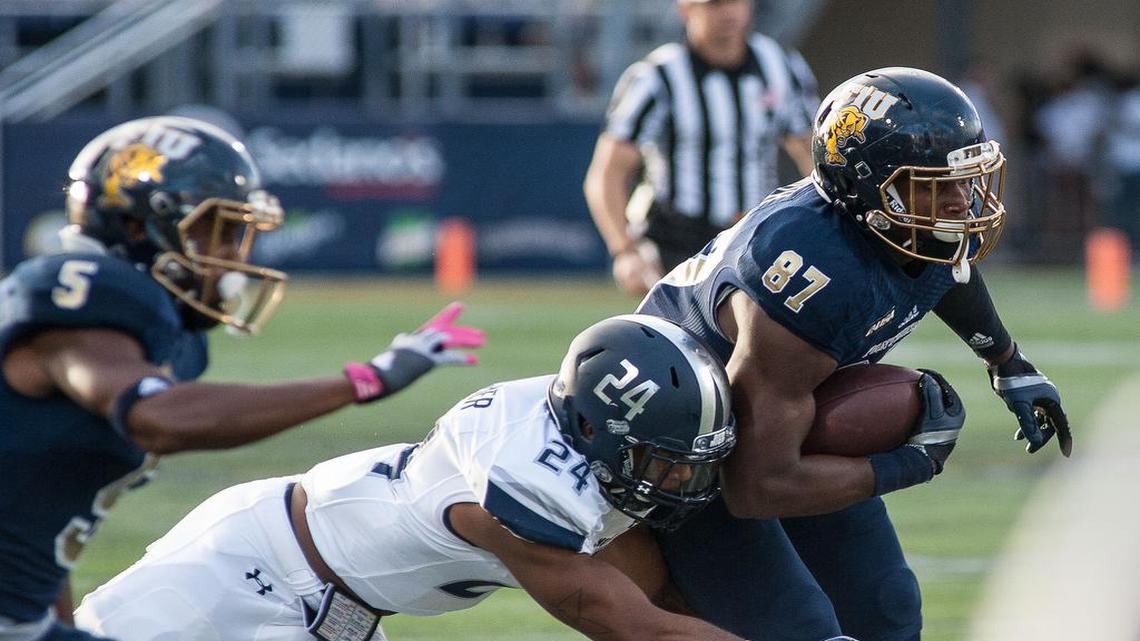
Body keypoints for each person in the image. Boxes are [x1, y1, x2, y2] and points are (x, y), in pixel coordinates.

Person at [621, 67, 1072, 641]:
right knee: (800, 628)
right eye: (936, 185)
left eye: (964, 178)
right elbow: (756, 487)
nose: (961, 201)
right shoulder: (809, 276)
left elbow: (944, 269)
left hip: (779, 425)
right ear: (867, 188)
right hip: (684, 457)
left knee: (886, 611)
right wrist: (913, 461)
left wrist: (1007, 361)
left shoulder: (899, 225)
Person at [0, 116, 485, 641]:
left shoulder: (170, 343)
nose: (232, 257)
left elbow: (43, 527)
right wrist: (364, 380)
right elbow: (157, 419)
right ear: (141, 227)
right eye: (220, 232)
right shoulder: (82, 297)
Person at [71, 314, 772, 641]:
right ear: (597, 430)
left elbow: (660, 600)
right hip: (243, 569)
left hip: (336, 606)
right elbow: (635, 626)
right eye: (666, 459)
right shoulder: (522, 489)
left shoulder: (574, 432)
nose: (683, 478)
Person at [584, 0, 818, 297]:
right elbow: (608, 173)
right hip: (676, 241)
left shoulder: (780, 65)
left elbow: (813, 154)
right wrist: (625, 250)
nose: (728, 13)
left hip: (755, 236)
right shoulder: (657, 76)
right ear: (686, 9)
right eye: (714, 4)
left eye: (736, 1)